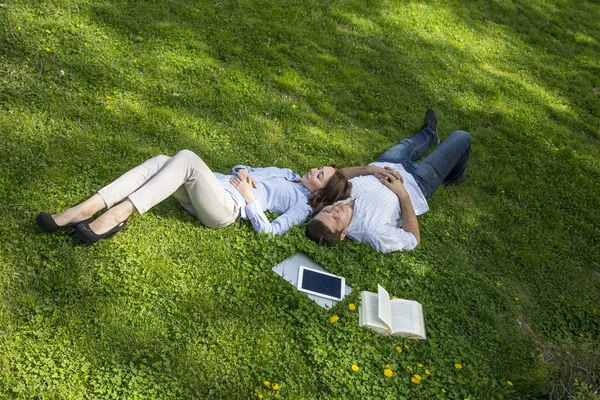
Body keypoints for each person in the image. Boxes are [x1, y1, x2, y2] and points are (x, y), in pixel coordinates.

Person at [36, 149, 351, 243]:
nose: (313, 170)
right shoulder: (285, 172)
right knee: (162, 161)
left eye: (319, 175)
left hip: (224, 209)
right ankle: (85, 209)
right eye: (318, 167)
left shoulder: (300, 206)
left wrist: (249, 198)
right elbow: (244, 167)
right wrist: (243, 173)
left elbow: (270, 233)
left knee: (184, 157)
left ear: (321, 192)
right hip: (210, 188)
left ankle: (117, 215)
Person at [306, 109, 471, 254]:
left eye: (326, 211)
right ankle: (456, 175)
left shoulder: (328, 199)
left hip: (383, 165)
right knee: (461, 137)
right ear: (343, 234)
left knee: (408, 144)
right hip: (416, 183)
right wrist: (402, 193)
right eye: (335, 219)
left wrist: (370, 170)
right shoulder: (373, 234)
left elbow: (338, 175)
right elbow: (412, 239)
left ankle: (430, 134)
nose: (334, 210)